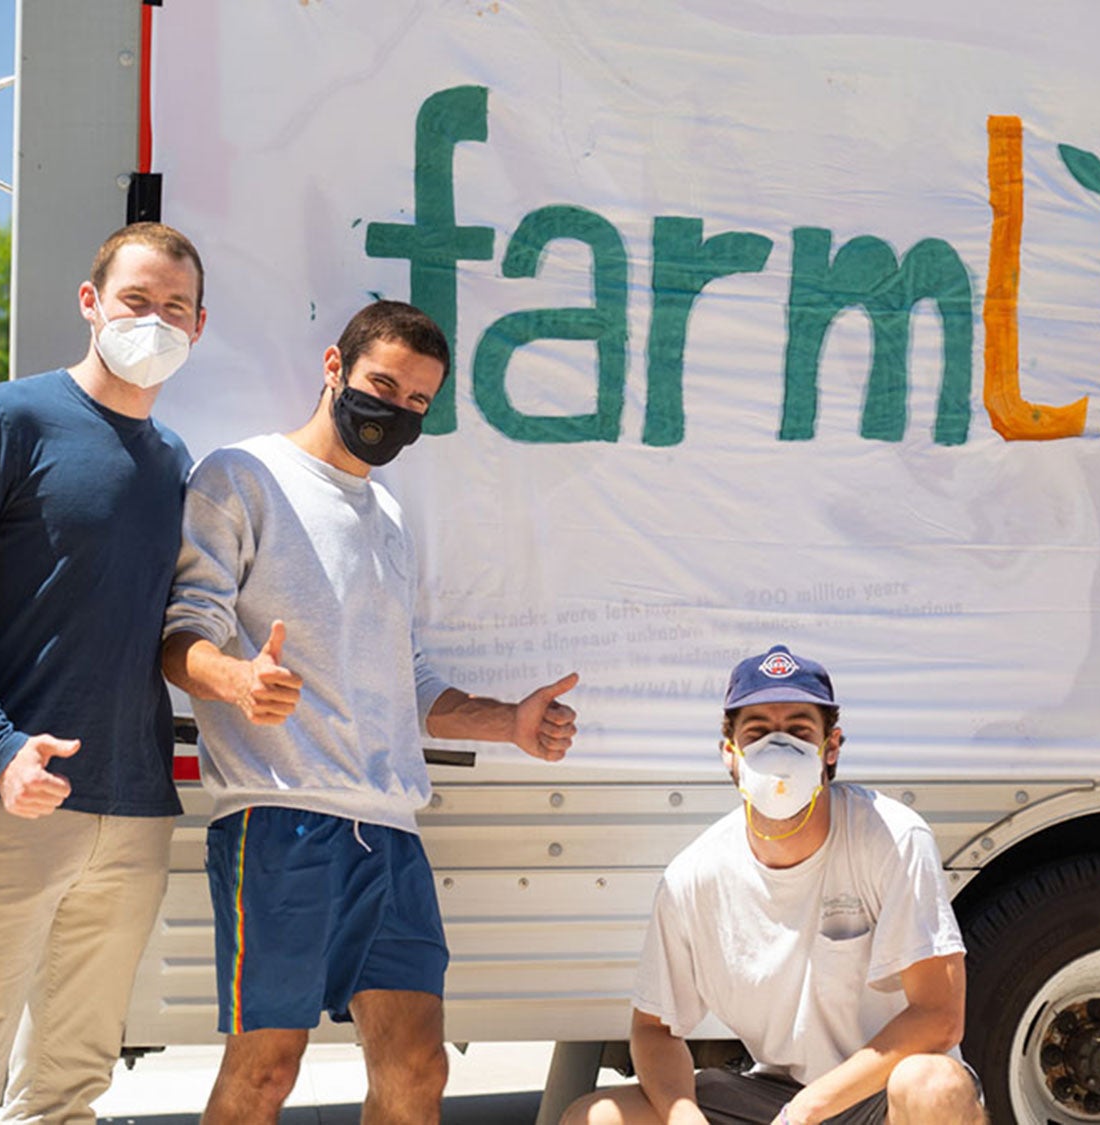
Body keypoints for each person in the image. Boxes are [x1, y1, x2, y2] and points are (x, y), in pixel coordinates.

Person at [160, 300, 582, 1124]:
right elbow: (182, 635)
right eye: (383, 384)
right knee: (266, 1072)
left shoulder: (389, 516)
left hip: (390, 832)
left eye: (418, 401)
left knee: (419, 1069)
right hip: (279, 819)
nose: (396, 410)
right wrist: (238, 679)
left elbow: (412, 679)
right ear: (334, 366)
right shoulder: (240, 475)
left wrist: (509, 722)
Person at [0, 223, 207, 1123]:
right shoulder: (4, 418)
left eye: (175, 309)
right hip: (7, 807)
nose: (155, 322)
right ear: (91, 303)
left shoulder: (172, 462)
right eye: (136, 302)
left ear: (199, 325)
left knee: (70, 1084)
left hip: (133, 810)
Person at [562, 644, 984, 1125]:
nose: (778, 749)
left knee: (935, 1086)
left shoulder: (891, 837)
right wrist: (684, 1118)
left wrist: (808, 1110)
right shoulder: (694, 877)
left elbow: (939, 1015)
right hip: (773, 1094)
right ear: (730, 753)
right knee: (596, 1118)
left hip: (879, 1094)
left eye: (799, 731)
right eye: (758, 732)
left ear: (832, 748)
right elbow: (654, 1029)